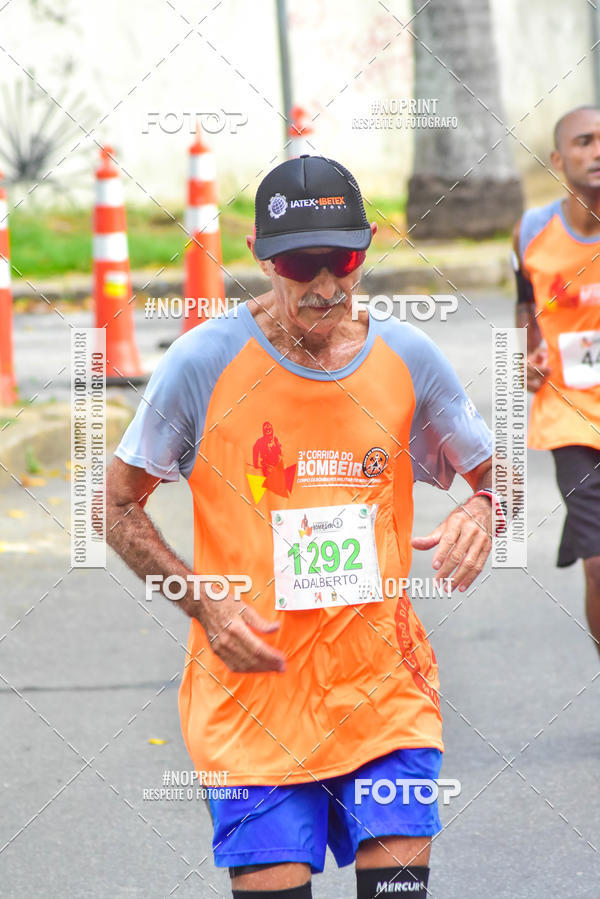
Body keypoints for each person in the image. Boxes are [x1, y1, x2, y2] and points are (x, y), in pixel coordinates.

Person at [106, 154, 498, 898]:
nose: (324, 285)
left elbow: (491, 469)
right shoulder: (202, 362)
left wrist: (483, 507)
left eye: (342, 258)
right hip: (254, 702)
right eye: (299, 262)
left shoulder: (407, 358)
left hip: (384, 693)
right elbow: (117, 501)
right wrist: (203, 601)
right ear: (259, 253)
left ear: (368, 246)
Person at [513, 106, 600, 656]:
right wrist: (525, 358)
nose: (598, 152)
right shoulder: (531, 231)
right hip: (568, 414)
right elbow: (525, 309)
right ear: (558, 159)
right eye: (585, 141)